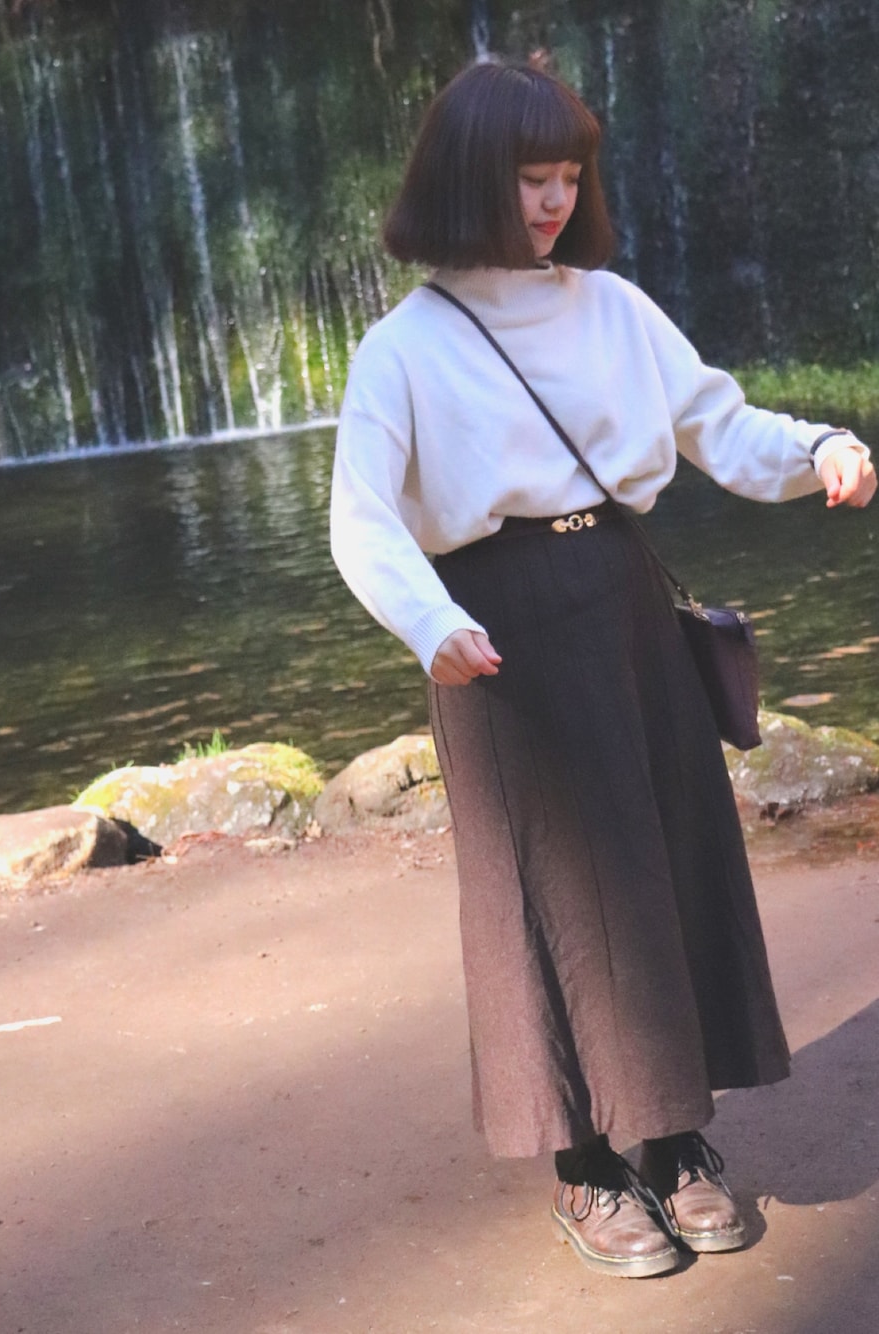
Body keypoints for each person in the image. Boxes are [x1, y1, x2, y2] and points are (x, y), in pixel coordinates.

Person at [329, 57, 876, 1279]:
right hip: (497, 629)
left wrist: (821, 448)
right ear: (468, 180)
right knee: (549, 894)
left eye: (567, 178)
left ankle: (676, 1143)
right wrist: (427, 620)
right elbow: (361, 517)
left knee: (662, 864)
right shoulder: (402, 347)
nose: (552, 202)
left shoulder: (615, 309)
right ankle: (584, 1166)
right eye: (529, 178)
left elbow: (721, 425)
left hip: (624, 602)